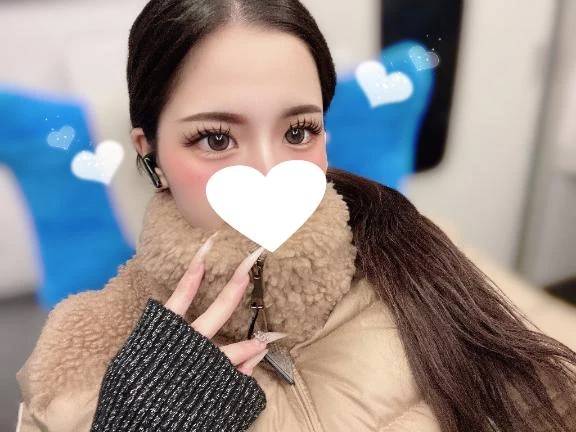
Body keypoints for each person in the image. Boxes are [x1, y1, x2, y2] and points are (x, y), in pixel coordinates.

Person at [16, 0, 576, 431]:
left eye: (299, 131)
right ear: (151, 152)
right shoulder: (71, 359)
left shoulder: (427, 253)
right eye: (215, 138)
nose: (269, 169)